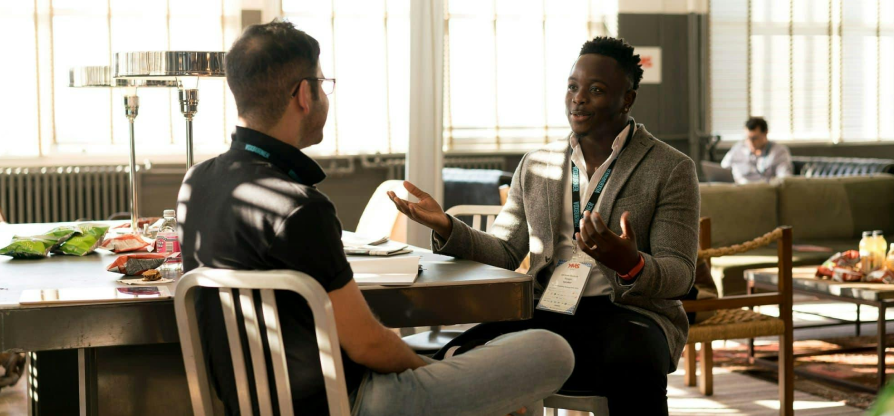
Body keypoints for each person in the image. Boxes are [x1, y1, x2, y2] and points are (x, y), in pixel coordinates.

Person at [177, 20, 574, 416]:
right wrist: (434, 375)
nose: (325, 95)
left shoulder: (197, 183)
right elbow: (367, 344)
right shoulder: (301, 207)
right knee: (551, 349)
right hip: (350, 404)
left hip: (250, 406)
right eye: (322, 84)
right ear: (303, 94)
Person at [389, 37, 699, 416]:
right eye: (572, 86)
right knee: (459, 355)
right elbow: (505, 252)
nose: (578, 99)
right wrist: (447, 227)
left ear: (627, 99)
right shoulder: (537, 163)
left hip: (629, 314)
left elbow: (680, 274)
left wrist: (631, 264)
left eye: (596, 90)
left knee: (634, 363)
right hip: (548, 309)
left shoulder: (670, 167)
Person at [720, 116, 793, 184]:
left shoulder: (779, 152)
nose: (751, 142)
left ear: (765, 132)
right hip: (739, 189)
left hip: (764, 190)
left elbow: (784, 179)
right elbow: (722, 169)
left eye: (754, 138)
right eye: (748, 138)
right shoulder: (738, 149)